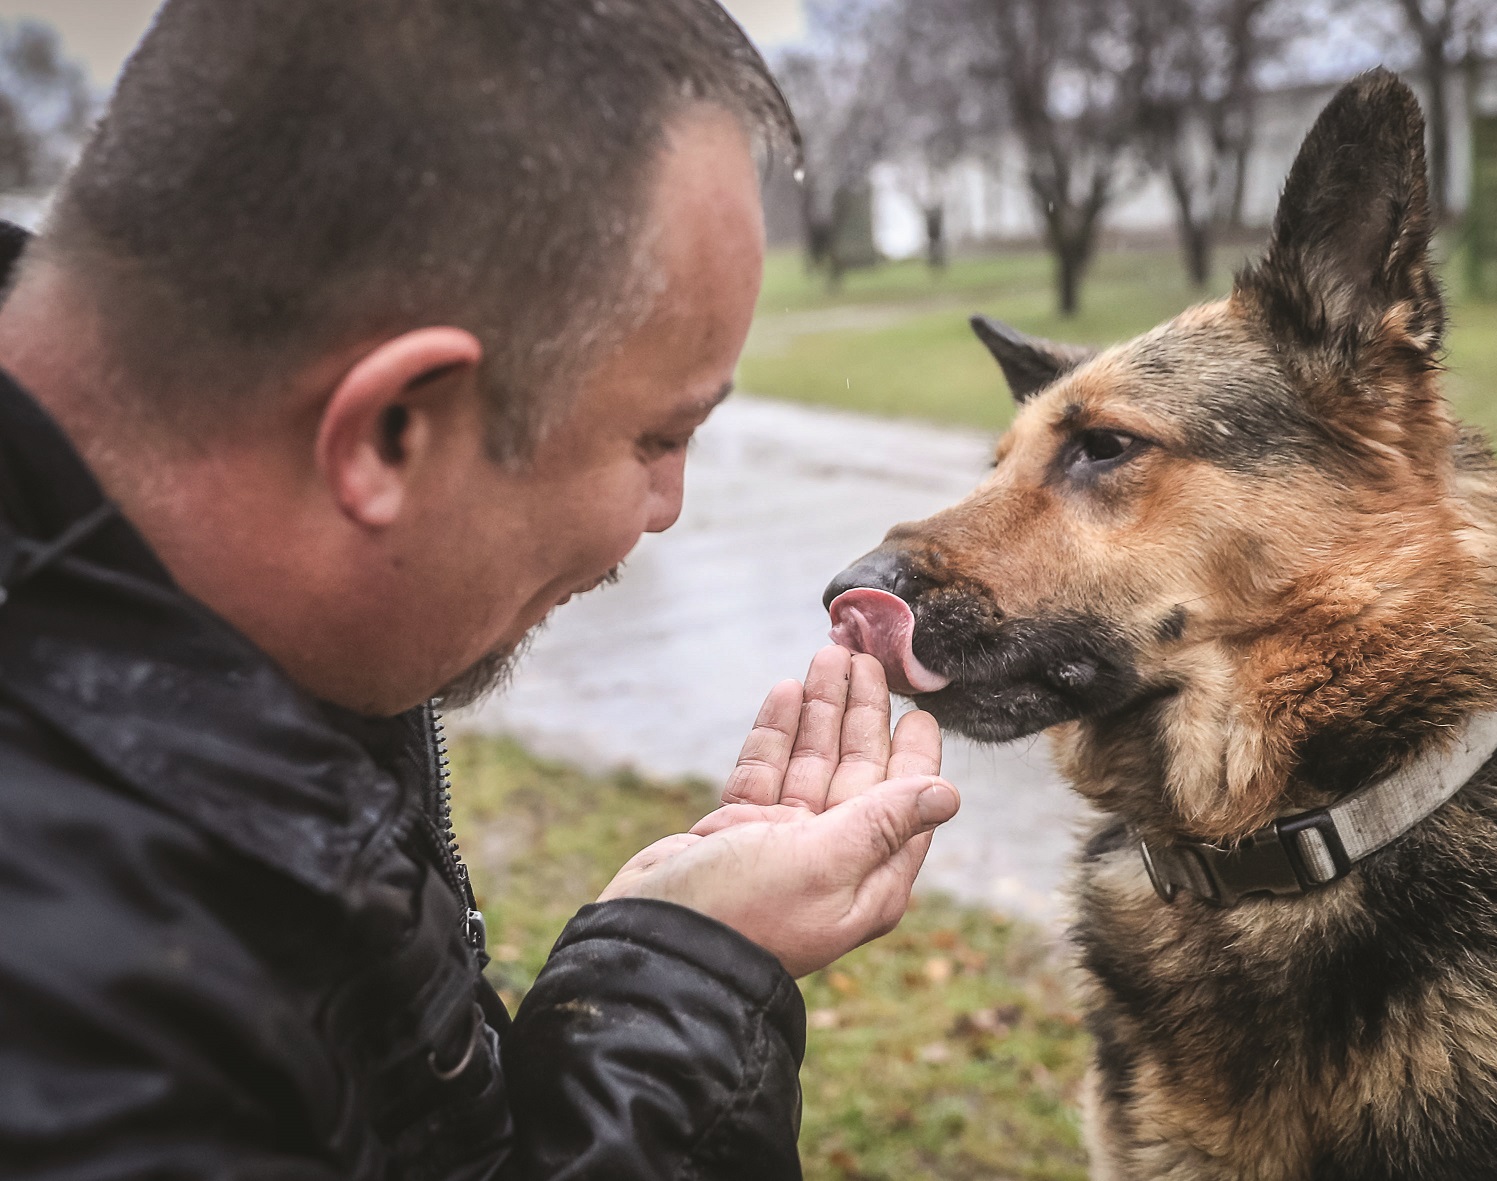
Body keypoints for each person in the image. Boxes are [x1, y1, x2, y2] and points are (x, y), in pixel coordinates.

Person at [0, 2, 960, 1177]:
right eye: (659, 436)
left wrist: (675, 968)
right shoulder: (82, 1049)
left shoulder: (215, 692)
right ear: (392, 429)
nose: (665, 508)